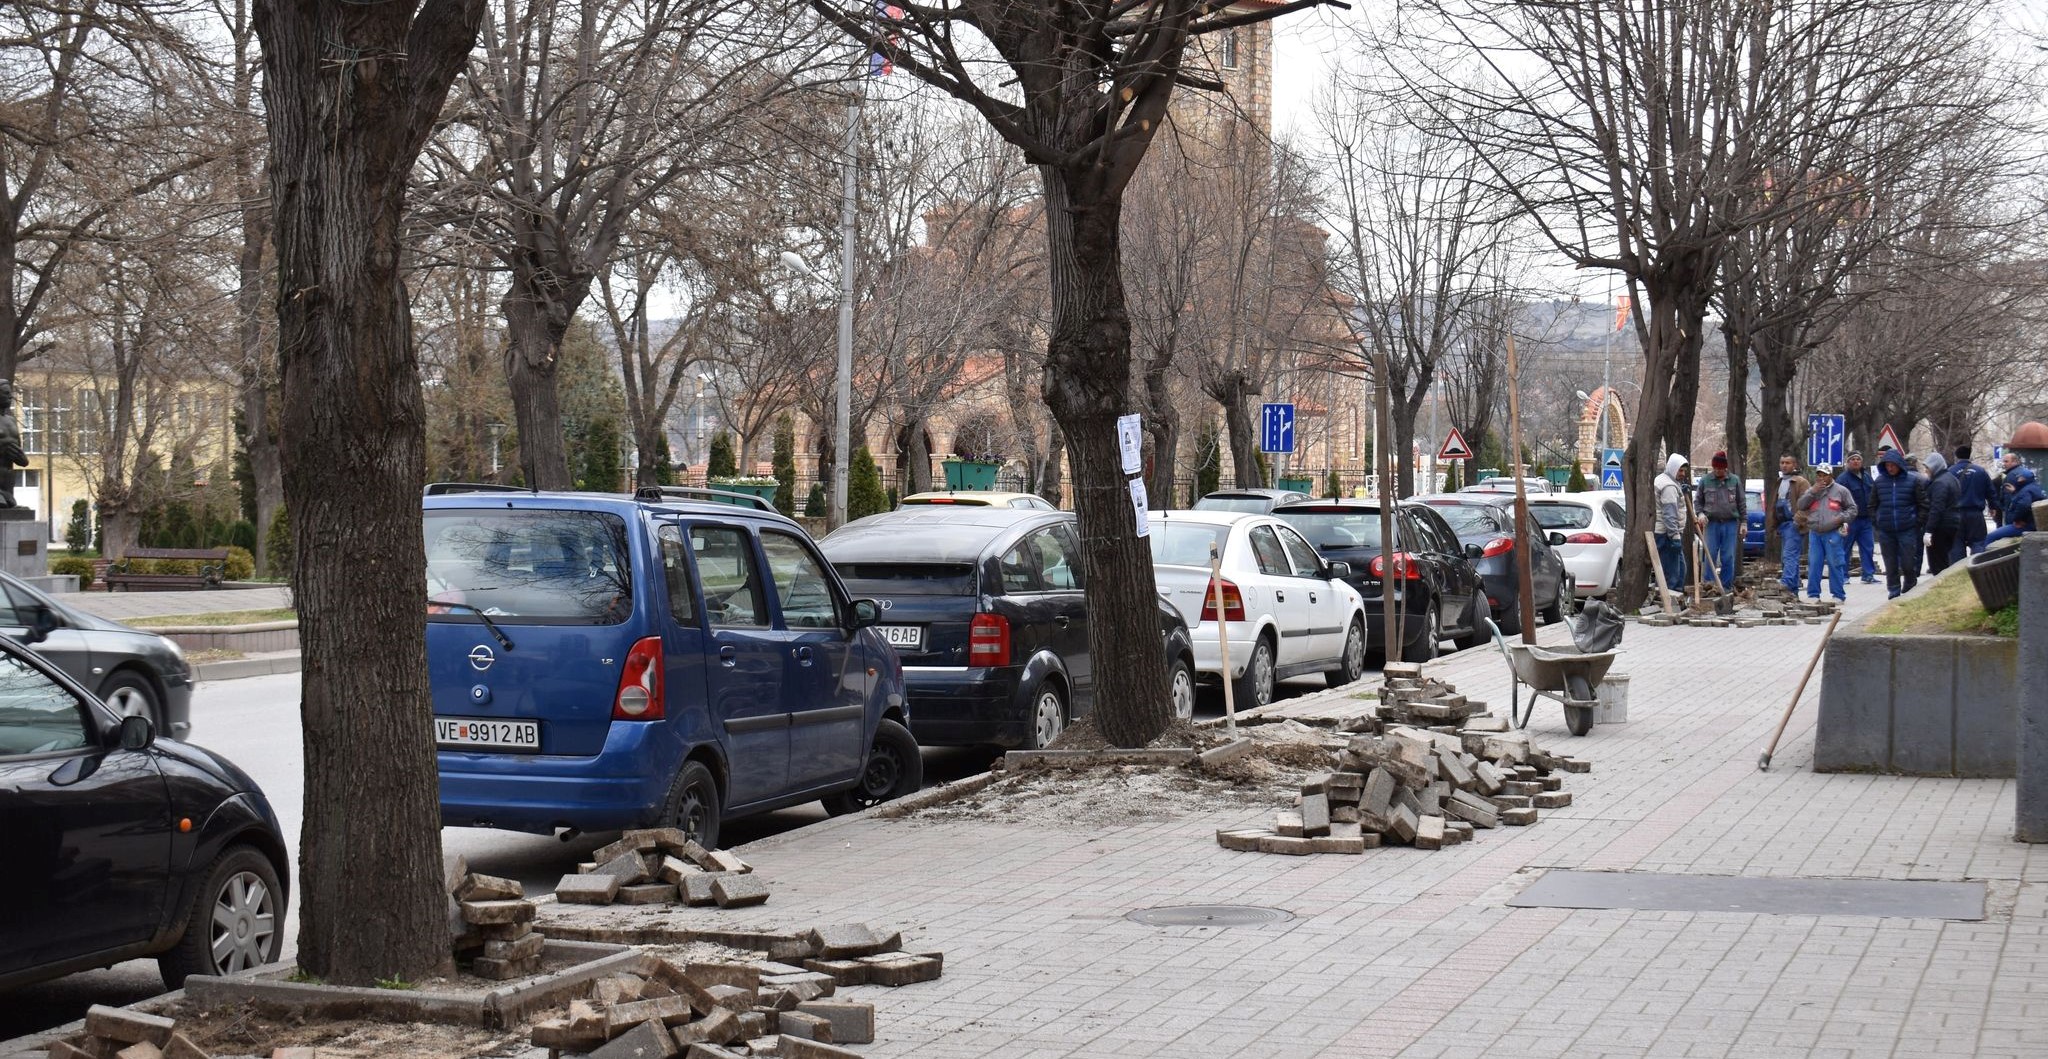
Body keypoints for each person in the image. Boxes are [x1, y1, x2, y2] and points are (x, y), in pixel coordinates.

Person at [1868, 449, 1929, 598]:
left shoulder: (1912, 481)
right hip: (1886, 530)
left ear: (1899, 464)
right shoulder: (1880, 482)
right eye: (1887, 465)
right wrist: (1877, 522)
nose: (1890, 468)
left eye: (1893, 465)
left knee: (1908, 561)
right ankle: (1893, 590)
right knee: (1890, 563)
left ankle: (1910, 583)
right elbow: (1872, 505)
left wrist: (1917, 522)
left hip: (1907, 528)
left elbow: (1923, 504)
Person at [1797, 464, 1857, 602]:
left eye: (1825, 475)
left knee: (1835, 562)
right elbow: (1801, 505)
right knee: (1814, 563)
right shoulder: (1812, 490)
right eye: (1819, 475)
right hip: (1815, 532)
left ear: (1831, 476)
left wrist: (1841, 518)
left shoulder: (1841, 491)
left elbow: (1853, 509)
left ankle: (1838, 595)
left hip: (1833, 532)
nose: (1822, 478)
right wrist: (1813, 491)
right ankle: (1813, 594)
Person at [1694, 451, 1744, 590]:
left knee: (1728, 556)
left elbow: (1741, 503)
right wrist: (1700, 513)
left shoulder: (1734, 481)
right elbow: (1697, 501)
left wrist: (1744, 522)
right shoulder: (1705, 481)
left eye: (1720, 469)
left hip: (1730, 523)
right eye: (1715, 468)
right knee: (1710, 555)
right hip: (1711, 523)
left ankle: (1726, 587)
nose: (1718, 471)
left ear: (1725, 468)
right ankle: (1709, 586)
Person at [1654, 453, 1692, 594]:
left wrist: (1680, 490)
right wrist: (1674, 536)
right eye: (1680, 470)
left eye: (1684, 471)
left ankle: (1672, 597)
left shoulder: (1666, 480)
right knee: (1673, 573)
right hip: (1666, 534)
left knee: (1677, 569)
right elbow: (1669, 515)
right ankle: (1669, 601)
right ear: (1672, 468)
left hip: (1666, 533)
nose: (1682, 474)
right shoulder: (1669, 487)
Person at [1837, 451, 1877, 583]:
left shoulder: (1867, 477)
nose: (1855, 461)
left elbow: (1873, 495)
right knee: (1845, 548)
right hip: (1849, 520)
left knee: (1868, 547)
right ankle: (1843, 576)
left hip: (1865, 519)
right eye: (1852, 459)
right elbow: (1838, 500)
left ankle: (1868, 575)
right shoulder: (1843, 479)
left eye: (1858, 459)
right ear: (1848, 462)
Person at [1773, 454, 1810, 593]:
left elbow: (1807, 504)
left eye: (1787, 462)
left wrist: (1797, 521)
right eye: (1782, 462)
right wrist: (1775, 524)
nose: (1784, 465)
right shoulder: (1780, 481)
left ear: (1794, 465)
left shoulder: (1801, 482)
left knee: (1789, 555)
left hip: (1794, 524)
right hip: (1782, 524)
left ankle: (1786, 585)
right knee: (1787, 557)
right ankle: (1792, 590)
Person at [1982, 465, 2044, 548]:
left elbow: (2024, 505)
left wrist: (2017, 519)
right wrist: (2015, 492)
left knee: (1990, 537)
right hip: (2031, 523)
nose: (2018, 480)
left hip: (2024, 525)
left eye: (2020, 478)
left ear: (2025, 479)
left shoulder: (2026, 491)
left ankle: (1984, 558)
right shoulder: (2033, 488)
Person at [1951, 445, 1992, 560]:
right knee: (1978, 542)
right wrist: (1993, 506)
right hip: (1976, 514)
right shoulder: (1981, 471)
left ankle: (1958, 571)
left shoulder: (1951, 471)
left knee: (1956, 544)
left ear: (1957, 456)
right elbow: (1990, 491)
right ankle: (1977, 566)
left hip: (1956, 514)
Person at [1924, 452, 1961, 575]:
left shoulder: (1939, 483)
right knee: (1944, 557)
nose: (1926, 471)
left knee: (1937, 562)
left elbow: (1937, 508)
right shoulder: (1952, 478)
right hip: (1953, 523)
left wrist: (1929, 530)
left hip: (1941, 526)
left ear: (1934, 467)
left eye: (1927, 468)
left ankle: (1940, 583)